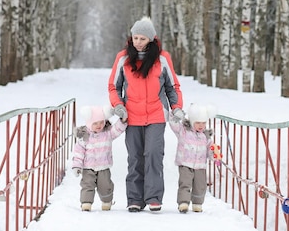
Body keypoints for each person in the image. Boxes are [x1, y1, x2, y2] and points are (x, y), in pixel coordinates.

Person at [108, 16, 185, 213]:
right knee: (135, 157)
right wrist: (118, 106)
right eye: (135, 38)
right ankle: (134, 198)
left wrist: (176, 107)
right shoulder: (123, 58)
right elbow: (113, 87)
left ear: (151, 39)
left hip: (156, 115)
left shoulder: (162, 58)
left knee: (153, 154)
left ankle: (153, 197)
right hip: (131, 115)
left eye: (142, 38)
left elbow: (172, 86)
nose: (138, 42)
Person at [71, 105, 127, 211]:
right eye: (95, 123)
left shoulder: (107, 133)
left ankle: (107, 201)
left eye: (101, 122)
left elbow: (117, 129)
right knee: (87, 185)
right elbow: (78, 153)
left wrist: (123, 120)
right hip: (88, 167)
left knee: (105, 186)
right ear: (89, 123)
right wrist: (77, 166)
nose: (99, 125)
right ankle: (86, 203)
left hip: (103, 166)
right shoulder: (84, 136)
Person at [168, 103, 217, 213]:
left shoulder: (206, 136)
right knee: (185, 183)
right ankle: (183, 203)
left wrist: (214, 155)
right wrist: (175, 114)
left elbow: (210, 150)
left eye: (203, 123)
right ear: (192, 121)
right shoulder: (184, 131)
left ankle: (197, 204)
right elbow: (173, 123)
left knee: (200, 185)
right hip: (185, 163)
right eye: (198, 122)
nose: (201, 125)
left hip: (200, 166)